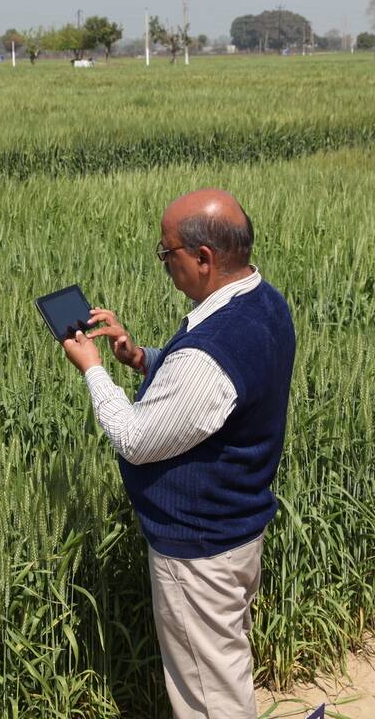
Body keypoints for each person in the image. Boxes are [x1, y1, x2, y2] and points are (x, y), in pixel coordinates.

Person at [62, 189, 296, 718]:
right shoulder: (263, 302)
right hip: (236, 533)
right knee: (225, 669)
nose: (164, 263)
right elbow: (217, 386)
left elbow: (135, 439)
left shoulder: (210, 354)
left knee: (209, 698)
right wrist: (142, 357)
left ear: (204, 258)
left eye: (167, 253)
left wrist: (94, 370)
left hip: (199, 552)